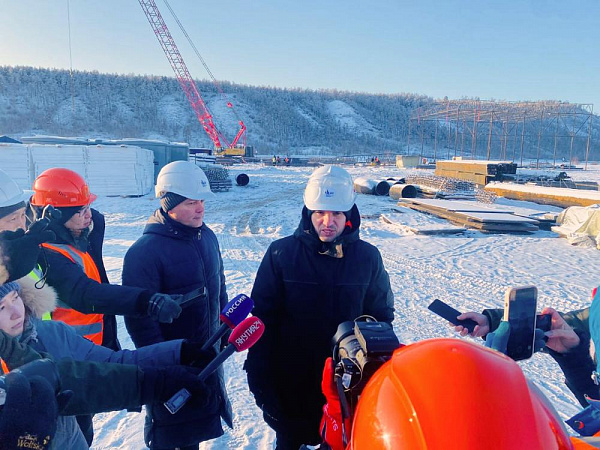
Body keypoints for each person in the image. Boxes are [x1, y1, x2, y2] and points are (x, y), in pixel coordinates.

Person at [244, 165, 395, 449]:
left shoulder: (368, 258)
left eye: (336, 213)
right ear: (308, 213)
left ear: (348, 214)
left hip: (346, 387)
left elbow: (382, 318)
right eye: (320, 213)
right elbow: (263, 321)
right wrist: (260, 377)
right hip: (291, 383)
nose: (328, 221)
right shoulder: (281, 254)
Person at [122, 161, 232, 450]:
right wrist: (166, 364)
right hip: (170, 366)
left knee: (195, 428)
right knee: (170, 431)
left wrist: (224, 330)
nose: (200, 209)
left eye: (202, 201)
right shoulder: (144, 253)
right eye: (191, 202)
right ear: (169, 203)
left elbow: (218, 288)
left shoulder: (207, 236)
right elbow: (140, 322)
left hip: (206, 355)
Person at [26, 167, 183, 352]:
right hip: (71, 356)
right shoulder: (45, 254)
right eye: (81, 211)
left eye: (88, 207)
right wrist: (145, 301)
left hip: (101, 343)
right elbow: (87, 294)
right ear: (56, 217)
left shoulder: (82, 231)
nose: (89, 215)